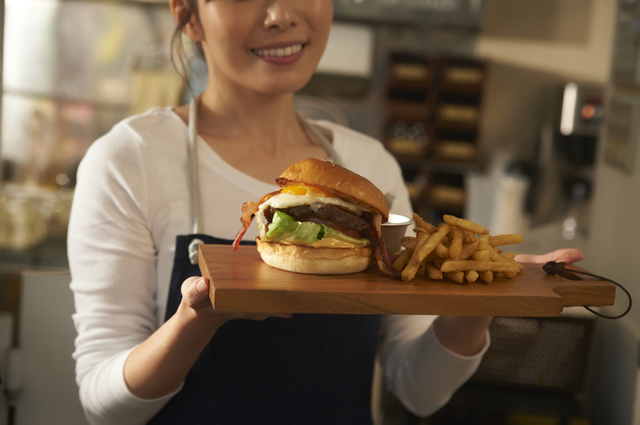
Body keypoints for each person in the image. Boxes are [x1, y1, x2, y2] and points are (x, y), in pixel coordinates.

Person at [68, 1, 584, 424]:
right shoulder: (129, 161)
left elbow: (418, 389)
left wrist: (475, 301)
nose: (280, 15)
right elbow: (103, 405)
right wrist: (193, 323)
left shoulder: (372, 167)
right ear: (190, 14)